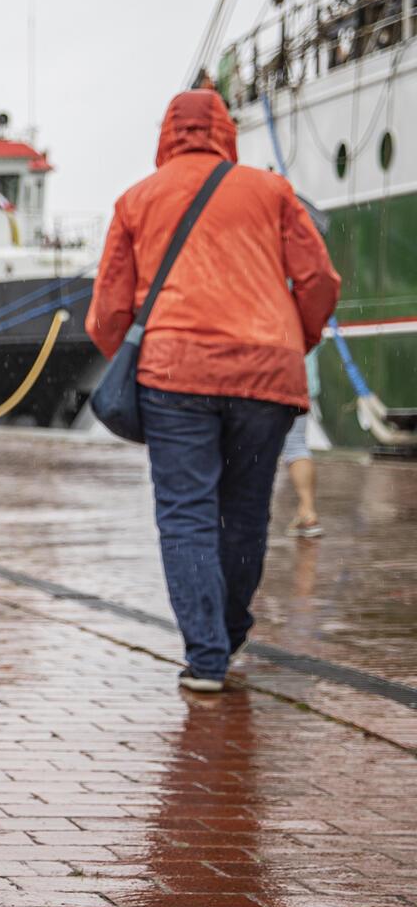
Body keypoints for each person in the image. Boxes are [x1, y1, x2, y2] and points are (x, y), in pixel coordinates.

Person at [87, 89, 339, 694]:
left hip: (175, 377)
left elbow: (108, 310)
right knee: (247, 511)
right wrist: (289, 341)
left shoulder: (137, 200)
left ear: (165, 134)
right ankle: (229, 631)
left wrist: (134, 357)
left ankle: (206, 656)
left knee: (186, 514)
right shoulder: (271, 190)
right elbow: (318, 279)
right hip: (266, 375)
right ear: (226, 131)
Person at [284, 348, 324, 537]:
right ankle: (307, 511)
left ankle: (307, 512)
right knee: (297, 445)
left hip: (274, 377)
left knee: (291, 446)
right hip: (303, 379)